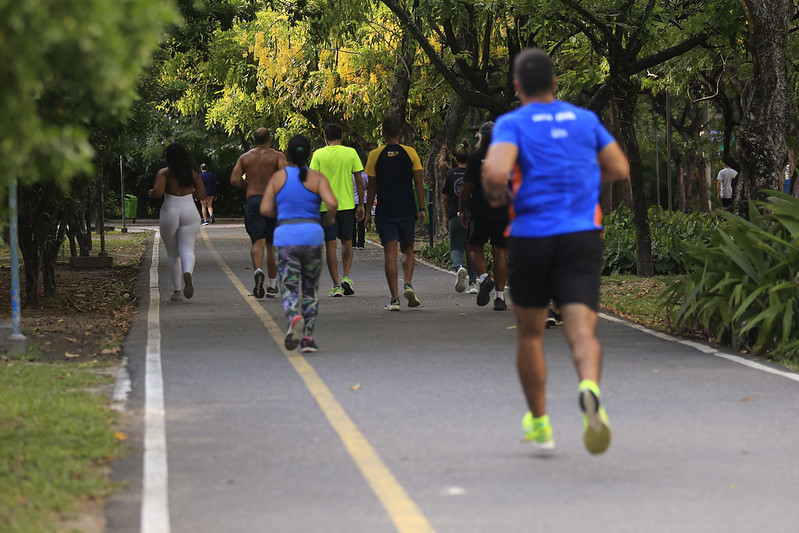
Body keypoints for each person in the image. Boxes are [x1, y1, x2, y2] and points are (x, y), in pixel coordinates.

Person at [482, 48, 630, 455]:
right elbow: (619, 168)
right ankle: (588, 387)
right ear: (555, 83)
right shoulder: (585, 120)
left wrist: (495, 191)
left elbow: (495, 171)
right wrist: (581, 175)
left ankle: (541, 425)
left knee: (531, 336)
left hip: (531, 237)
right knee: (582, 330)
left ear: (516, 87)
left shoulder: (512, 123)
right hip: (581, 235)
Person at [261, 136, 338, 353]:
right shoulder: (317, 178)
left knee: (290, 286)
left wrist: (282, 213)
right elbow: (332, 203)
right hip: (312, 236)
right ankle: (308, 339)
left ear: (288, 154)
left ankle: (294, 316)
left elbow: (265, 209)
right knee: (310, 289)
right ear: (309, 155)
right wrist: (329, 218)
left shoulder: (278, 178)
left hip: (286, 236)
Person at [364, 116, 427, 311]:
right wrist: (422, 208)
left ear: (382, 133)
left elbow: (372, 186)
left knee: (390, 255)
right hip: (406, 208)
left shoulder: (375, 155)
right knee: (408, 249)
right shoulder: (411, 153)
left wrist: (367, 212)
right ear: (400, 132)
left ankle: (394, 299)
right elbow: (418, 183)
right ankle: (408, 283)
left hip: (386, 209)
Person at [230, 127, 287, 299]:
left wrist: (249, 186)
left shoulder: (245, 157)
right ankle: (271, 285)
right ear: (270, 139)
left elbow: (234, 180)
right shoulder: (278, 156)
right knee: (272, 244)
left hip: (254, 200)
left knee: (257, 241)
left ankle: (258, 271)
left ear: (254, 141)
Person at [309, 124, 365, 297]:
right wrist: (361, 205)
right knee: (347, 243)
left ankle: (335, 286)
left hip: (325, 207)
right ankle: (346, 276)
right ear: (342, 137)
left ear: (325, 137)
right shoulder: (351, 153)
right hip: (347, 206)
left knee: (330, 245)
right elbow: (359, 180)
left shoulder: (318, 154)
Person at [459, 121, 509, 311]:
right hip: (503, 210)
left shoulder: (477, 157)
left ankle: (484, 278)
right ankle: (500, 297)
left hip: (481, 210)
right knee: (500, 252)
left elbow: (466, 187)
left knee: (473, 247)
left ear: (481, 138)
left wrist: (462, 210)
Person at [148, 142, 206, 302]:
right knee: (187, 250)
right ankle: (188, 272)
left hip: (170, 210)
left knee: (173, 254)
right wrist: (193, 192)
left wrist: (152, 193)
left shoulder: (164, 173)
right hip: (189, 210)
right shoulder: (192, 173)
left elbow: (159, 193)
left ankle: (177, 291)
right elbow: (201, 195)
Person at [442, 141, 477, 293]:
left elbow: (445, 197)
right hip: (472, 215)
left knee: (455, 246)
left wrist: (445, 215)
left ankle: (459, 268)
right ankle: (473, 284)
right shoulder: (474, 173)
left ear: (455, 158)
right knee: (471, 248)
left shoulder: (450, 174)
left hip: (455, 214)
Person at [353, 170, 369, 249]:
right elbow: (367, 186)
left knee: (352, 223)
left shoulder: (349, 175)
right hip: (362, 201)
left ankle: (352, 242)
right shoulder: (365, 175)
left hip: (351, 201)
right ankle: (360, 243)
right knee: (361, 222)